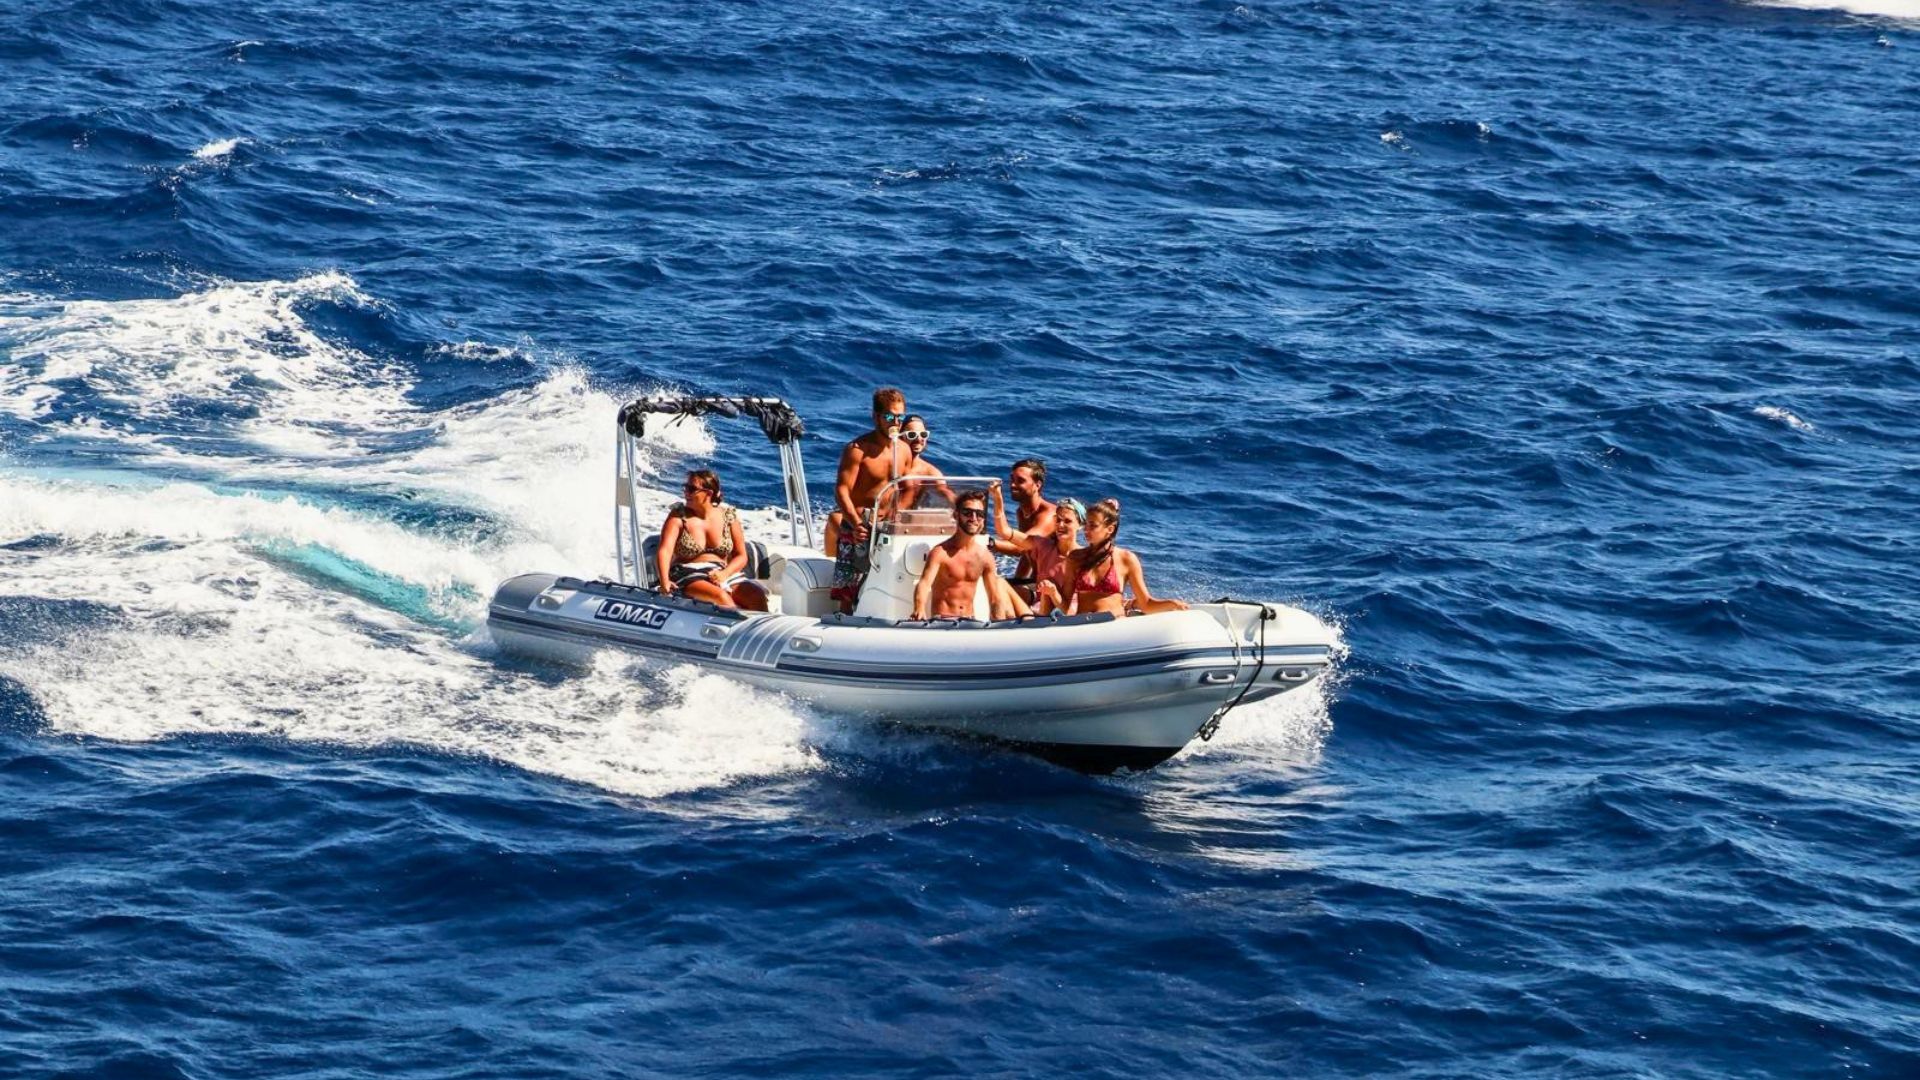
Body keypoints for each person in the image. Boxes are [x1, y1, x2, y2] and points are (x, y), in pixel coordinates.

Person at [828, 387, 912, 611]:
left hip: (888, 525)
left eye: (900, 417)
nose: (895, 422)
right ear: (875, 417)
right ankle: (844, 624)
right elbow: (842, 490)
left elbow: (908, 488)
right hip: (859, 525)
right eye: (889, 416)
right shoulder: (857, 450)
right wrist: (856, 524)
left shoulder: (904, 450)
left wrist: (899, 516)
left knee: (891, 578)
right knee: (849, 589)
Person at [655, 469, 768, 611]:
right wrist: (664, 581)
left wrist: (724, 574)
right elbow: (665, 550)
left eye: (691, 489)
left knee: (756, 595)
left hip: (720, 572)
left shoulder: (728, 516)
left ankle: (758, 631)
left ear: (708, 494)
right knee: (721, 598)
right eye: (685, 487)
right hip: (687, 573)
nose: (685, 492)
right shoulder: (678, 516)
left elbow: (741, 556)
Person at [912, 490, 1029, 621]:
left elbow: (994, 597)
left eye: (979, 514)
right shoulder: (940, 553)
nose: (973, 518)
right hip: (943, 621)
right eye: (967, 513)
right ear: (956, 515)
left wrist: (998, 624)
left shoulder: (985, 557)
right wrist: (919, 609)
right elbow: (924, 584)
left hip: (970, 621)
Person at [1063, 499, 1187, 617]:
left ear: (1110, 529)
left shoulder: (1126, 559)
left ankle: (1130, 605)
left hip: (1115, 625)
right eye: (1086, 524)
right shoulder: (1075, 558)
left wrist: (1172, 603)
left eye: (1093, 525)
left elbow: (1146, 604)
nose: (1086, 530)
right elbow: (1065, 604)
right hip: (1083, 626)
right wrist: (1050, 592)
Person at [988, 481, 1082, 615]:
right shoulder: (1043, 545)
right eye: (1058, 520)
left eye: (1067, 521)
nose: (1061, 525)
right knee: (998, 583)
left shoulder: (1083, 557)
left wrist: (1053, 593)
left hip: (1063, 616)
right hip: (1037, 609)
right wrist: (998, 498)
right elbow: (1004, 531)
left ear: (1080, 525)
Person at [1002, 458, 1056, 598]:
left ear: (1037, 485)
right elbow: (1027, 555)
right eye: (1012, 479)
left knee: (999, 590)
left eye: (1020, 481)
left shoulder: (1049, 514)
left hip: (1052, 587)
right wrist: (1017, 580)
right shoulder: (1022, 512)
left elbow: (1021, 547)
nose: (1013, 485)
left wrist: (988, 542)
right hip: (1034, 581)